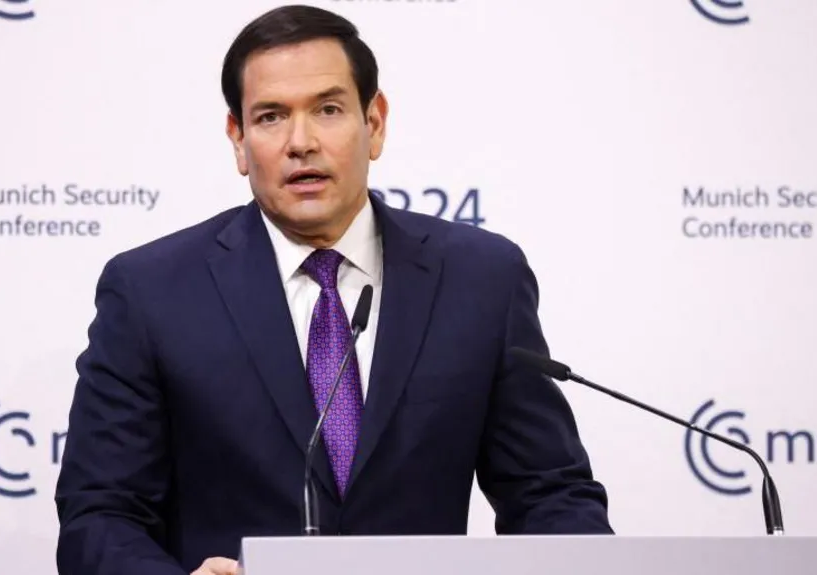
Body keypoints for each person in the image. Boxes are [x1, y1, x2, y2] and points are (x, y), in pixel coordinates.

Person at [54, 4, 612, 575]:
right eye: (271, 116)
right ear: (238, 140)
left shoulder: (481, 280)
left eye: (328, 109)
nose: (301, 142)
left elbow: (549, 495)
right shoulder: (152, 292)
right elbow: (99, 515)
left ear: (375, 123)